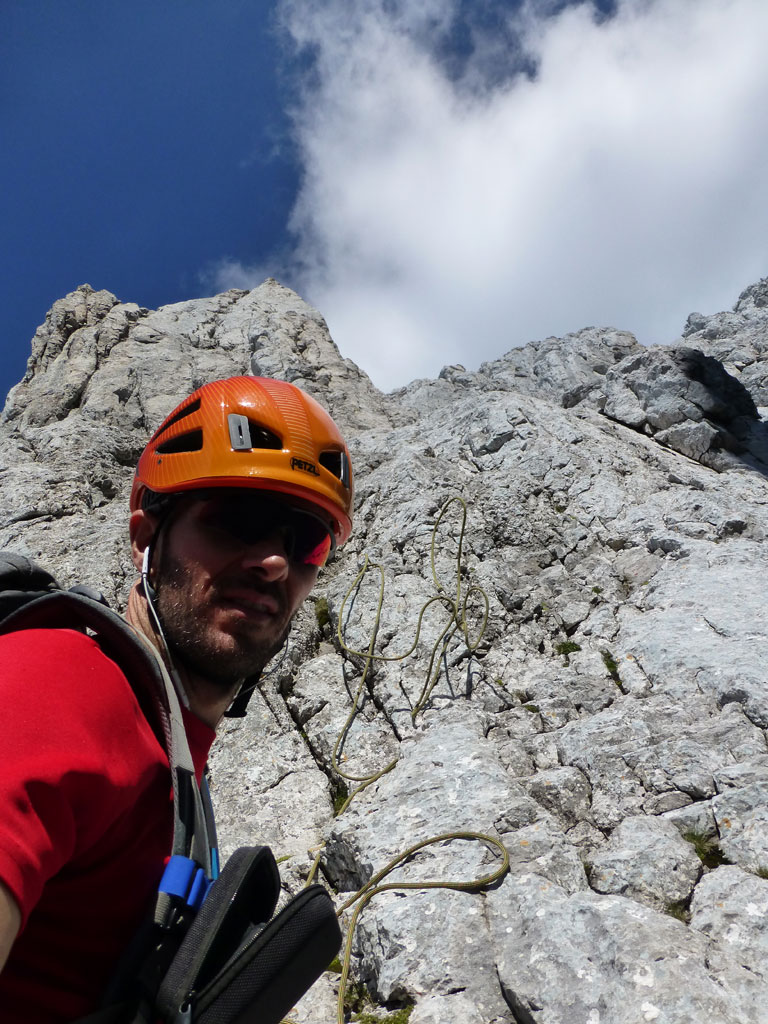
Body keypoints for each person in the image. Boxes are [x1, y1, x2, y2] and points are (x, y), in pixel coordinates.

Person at [0, 375, 353, 1022]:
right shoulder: (64, 681)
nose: (274, 562)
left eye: (307, 541)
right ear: (146, 535)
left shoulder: (175, 763)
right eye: (239, 519)